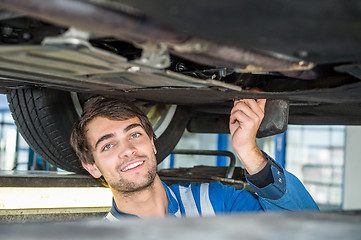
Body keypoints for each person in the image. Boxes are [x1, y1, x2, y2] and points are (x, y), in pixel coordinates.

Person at [70, 97, 318, 220]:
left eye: (134, 134)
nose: (128, 150)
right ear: (91, 166)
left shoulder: (214, 202)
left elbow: (306, 227)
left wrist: (247, 150)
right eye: (109, 145)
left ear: (153, 143)